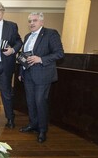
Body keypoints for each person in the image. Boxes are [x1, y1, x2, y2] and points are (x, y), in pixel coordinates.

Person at [18, 12, 64, 143]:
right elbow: (24, 55)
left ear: (42, 22)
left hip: (43, 75)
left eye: (35, 20)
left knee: (40, 102)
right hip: (28, 75)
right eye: (30, 21)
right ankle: (33, 125)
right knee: (30, 102)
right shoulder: (27, 36)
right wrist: (21, 72)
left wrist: (41, 59)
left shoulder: (51, 33)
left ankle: (42, 130)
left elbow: (59, 53)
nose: (31, 23)